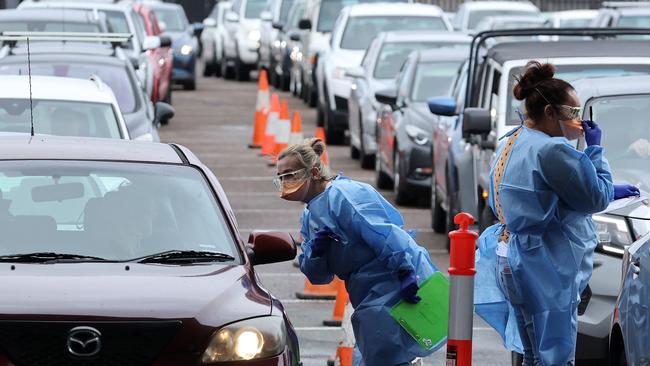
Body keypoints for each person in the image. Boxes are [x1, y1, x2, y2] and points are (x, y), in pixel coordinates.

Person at [474, 61, 640, 366]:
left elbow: (546, 194)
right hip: (544, 265)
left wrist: (599, 183)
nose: (578, 122)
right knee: (556, 356)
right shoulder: (552, 150)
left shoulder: (512, 140)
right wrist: (595, 151)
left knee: (533, 354)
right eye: (573, 114)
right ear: (550, 113)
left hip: (512, 256)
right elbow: (595, 197)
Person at [275, 138, 443, 366]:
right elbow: (318, 276)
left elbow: (384, 233)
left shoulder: (344, 196)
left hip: (393, 283)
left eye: (290, 175)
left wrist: (405, 270)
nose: (285, 182)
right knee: (380, 356)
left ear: (313, 172)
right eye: (281, 177)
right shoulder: (310, 215)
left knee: (386, 357)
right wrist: (316, 253)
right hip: (367, 293)